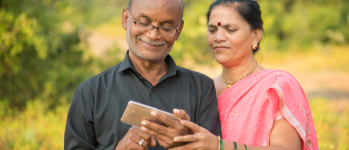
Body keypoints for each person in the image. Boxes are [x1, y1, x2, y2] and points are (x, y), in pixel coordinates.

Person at [143, 0, 319, 150]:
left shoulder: (277, 86)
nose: (218, 37)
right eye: (212, 30)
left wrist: (219, 146)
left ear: (256, 36)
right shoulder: (203, 89)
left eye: (230, 29)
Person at [64, 0, 221, 149]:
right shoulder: (90, 93)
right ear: (125, 19)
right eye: (143, 23)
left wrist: (187, 145)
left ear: (178, 30)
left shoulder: (202, 88)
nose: (153, 35)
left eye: (166, 27)